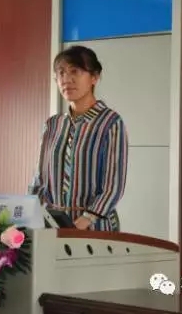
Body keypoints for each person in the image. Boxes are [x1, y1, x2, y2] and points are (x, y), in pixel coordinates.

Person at [32, 45, 128, 231]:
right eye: (61, 73)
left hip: (95, 228)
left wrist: (85, 220)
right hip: (53, 227)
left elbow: (113, 187)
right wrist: (29, 216)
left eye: (75, 71)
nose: (67, 79)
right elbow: (39, 181)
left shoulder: (110, 122)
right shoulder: (53, 125)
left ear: (94, 77)